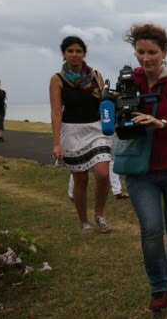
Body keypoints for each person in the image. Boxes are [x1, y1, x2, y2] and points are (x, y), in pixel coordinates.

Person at [122, 23, 167, 312]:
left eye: (152, 52)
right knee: (151, 228)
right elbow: (117, 124)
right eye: (140, 51)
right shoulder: (129, 81)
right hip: (140, 169)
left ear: (165, 52)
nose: (146, 58)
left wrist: (161, 123)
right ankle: (159, 286)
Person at [49, 36, 112, 233]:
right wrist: (57, 143)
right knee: (81, 180)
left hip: (97, 129)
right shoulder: (57, 79)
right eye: (70, 51)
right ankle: (84, 222)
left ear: (84, 53)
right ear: (64, 54)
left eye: (78, 51)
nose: (74, 55)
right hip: (72, 132)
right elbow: (57, 112)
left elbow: (104, 102)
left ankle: (99, 215)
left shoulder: (95, 75)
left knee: (102, 175)